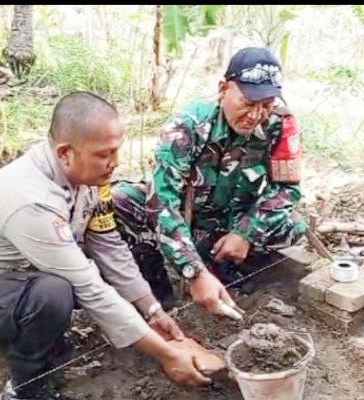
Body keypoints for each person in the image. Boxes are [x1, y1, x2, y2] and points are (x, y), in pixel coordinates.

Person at [0, 91, 213, 400]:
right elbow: (87, 285)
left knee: (76, 278)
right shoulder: (32, 201)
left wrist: (151, 309)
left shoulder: (89, 181)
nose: (115, 163)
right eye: (104, 154)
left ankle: (36, 330)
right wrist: (166, 355)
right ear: (65, 153)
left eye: (116, 151)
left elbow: (109, 246)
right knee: (53, 292)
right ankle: (24, 389)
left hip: (11, 278)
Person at [112, 46, 308, 316]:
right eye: (248, 103)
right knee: (120, 200)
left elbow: (287, 190)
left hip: (234, 220)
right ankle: (159, 282)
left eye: (266, 105)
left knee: (294, 225)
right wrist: (193, 271)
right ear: (223, 89)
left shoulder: (280, 123)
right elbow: (163, 202)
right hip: (186, 218)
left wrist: (244, 234)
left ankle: (230, 267)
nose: (256, 115)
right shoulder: (188, 127)